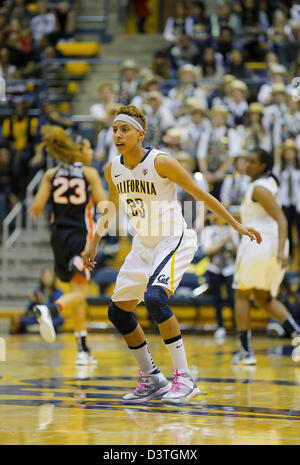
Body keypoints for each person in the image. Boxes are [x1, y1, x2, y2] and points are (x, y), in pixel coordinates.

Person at [81, 104, 261, 405]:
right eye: (114, 129)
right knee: (117, 311)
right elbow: (111, 207)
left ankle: (186, 378)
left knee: (154, 298)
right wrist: (94, 240)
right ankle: (152, 379)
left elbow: (200, 195)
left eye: (124, 129)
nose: (117, 135)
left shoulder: (160, 161)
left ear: (140, 134)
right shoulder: (112, 168)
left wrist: (235, 223)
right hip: (143, 244)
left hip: (172, 238)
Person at [29, 124, 107, 365]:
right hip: (80, 237)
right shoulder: (90, 173)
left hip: (57, 238)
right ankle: (50, 310)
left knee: (76, 294)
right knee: (80, 293)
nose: (91, 152)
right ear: (76, 151)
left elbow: (36, 208)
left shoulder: (51, 174)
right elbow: (105, 207)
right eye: (87, 148)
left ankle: (82, 349)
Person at [232, 147, 300, 365]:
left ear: (263, 165)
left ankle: (245, 351)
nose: (247, 165)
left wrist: (281, 251)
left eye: (251, 161)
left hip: (259, 246)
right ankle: (297, 333)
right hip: (271, 246)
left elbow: (281, 219)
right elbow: (257, 216)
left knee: (241, 294)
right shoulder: (269, 184)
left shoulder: (259, 188)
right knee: (264, 298)